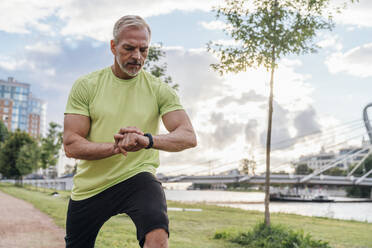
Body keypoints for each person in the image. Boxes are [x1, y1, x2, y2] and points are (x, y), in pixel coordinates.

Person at [63, 15, 197, 248]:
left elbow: (188, 136)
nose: (137, 56)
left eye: (143, 49)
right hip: (90, 187)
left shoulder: (159, 90)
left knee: (158, 233)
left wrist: (147, 140)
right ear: (113, 46)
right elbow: (71, 144)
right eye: (129, 48)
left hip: (137, 176)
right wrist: (115, 147)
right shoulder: (86, 86)